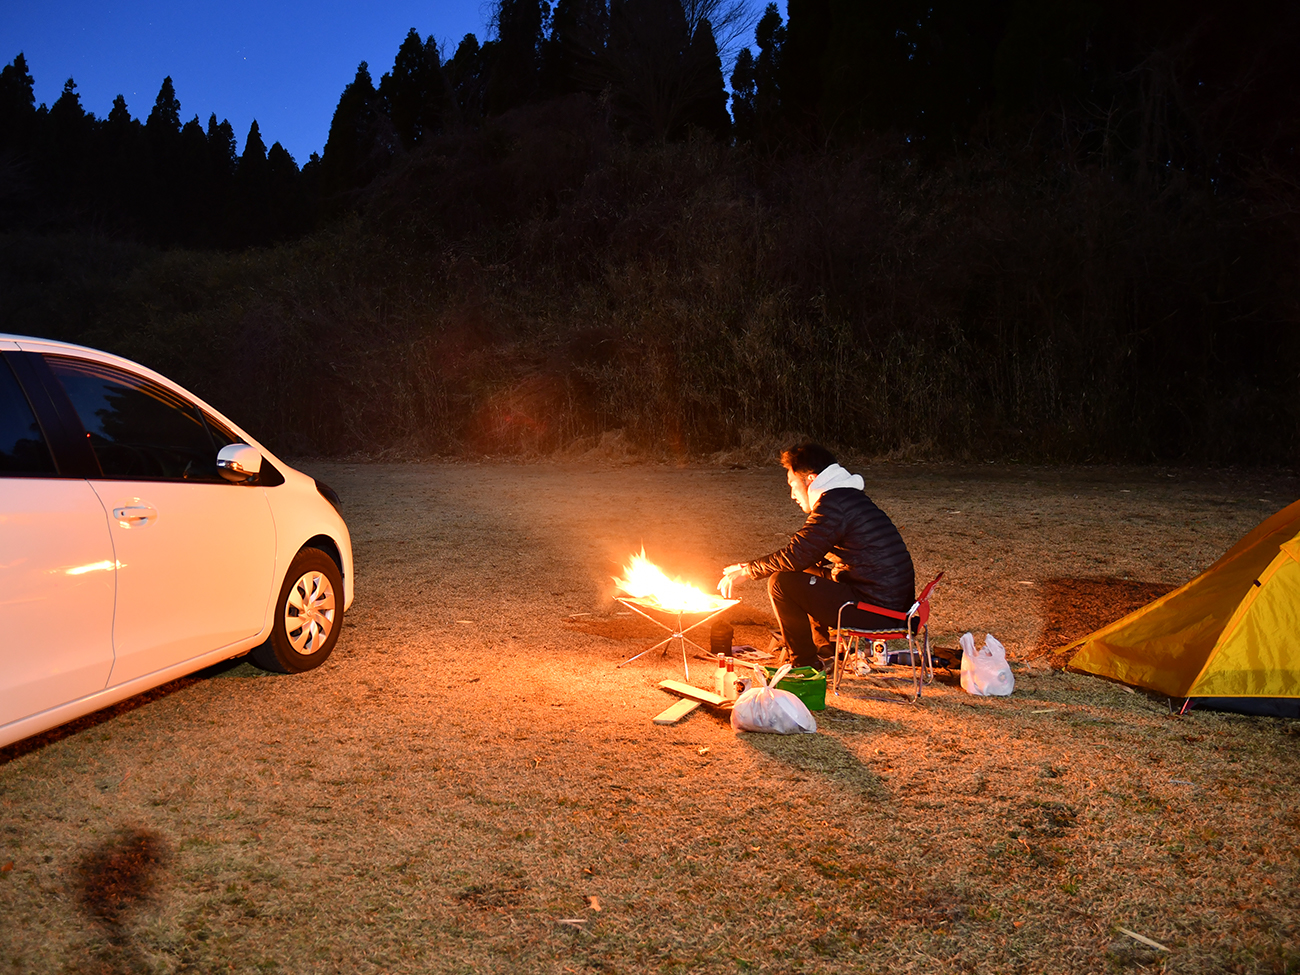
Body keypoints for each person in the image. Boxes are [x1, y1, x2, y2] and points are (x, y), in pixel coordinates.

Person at [718, 443, 915, 671]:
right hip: (890, 601)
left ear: (810, 479)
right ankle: (824, 649)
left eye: (793, 484)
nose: (792, 495)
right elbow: (807, 554)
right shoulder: (845, 498)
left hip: (878, 610)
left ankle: (804, 665)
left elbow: (797, 555)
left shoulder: (833, 505)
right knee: (805, 573)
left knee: (781, 583)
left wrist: (747, 570)